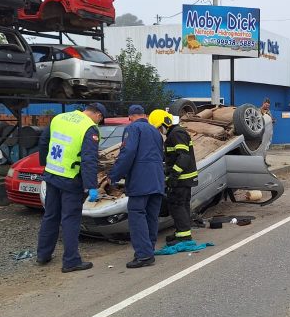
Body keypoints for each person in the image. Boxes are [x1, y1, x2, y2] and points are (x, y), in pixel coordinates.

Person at [36, 103, 106, 273]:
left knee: (51, 215)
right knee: (70, 219)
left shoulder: (60, 118)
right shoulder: (89, 128)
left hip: (52, 174)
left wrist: (45, 165)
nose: (99, 123)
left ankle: (43, 255)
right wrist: (91, 186)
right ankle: (71, 261)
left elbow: (44, 142)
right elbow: (89, 159)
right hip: (70, 179)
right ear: (97, 114)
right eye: (100, 120)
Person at [107, 105, 165, 269]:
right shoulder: (155, 131)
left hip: (141, 181)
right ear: (145, 115)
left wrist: (114, 175)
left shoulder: (132, 128)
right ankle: (149, 249)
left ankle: (144, 255)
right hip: (157, 180)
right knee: (151, 217)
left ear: (130, 117)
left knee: (137, 215)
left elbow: (128, 153)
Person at [148, 109, 199, 246]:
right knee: (182, 205)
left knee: (176, 205)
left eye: (159, 127)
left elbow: (184, 156)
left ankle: (183, 236)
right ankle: (182, 232)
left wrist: (173, 176)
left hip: (182, 178)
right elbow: (174, 156)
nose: (159, 131)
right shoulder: (174, 134)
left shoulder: (176, 133)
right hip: (184, 177)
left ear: (165, 123)